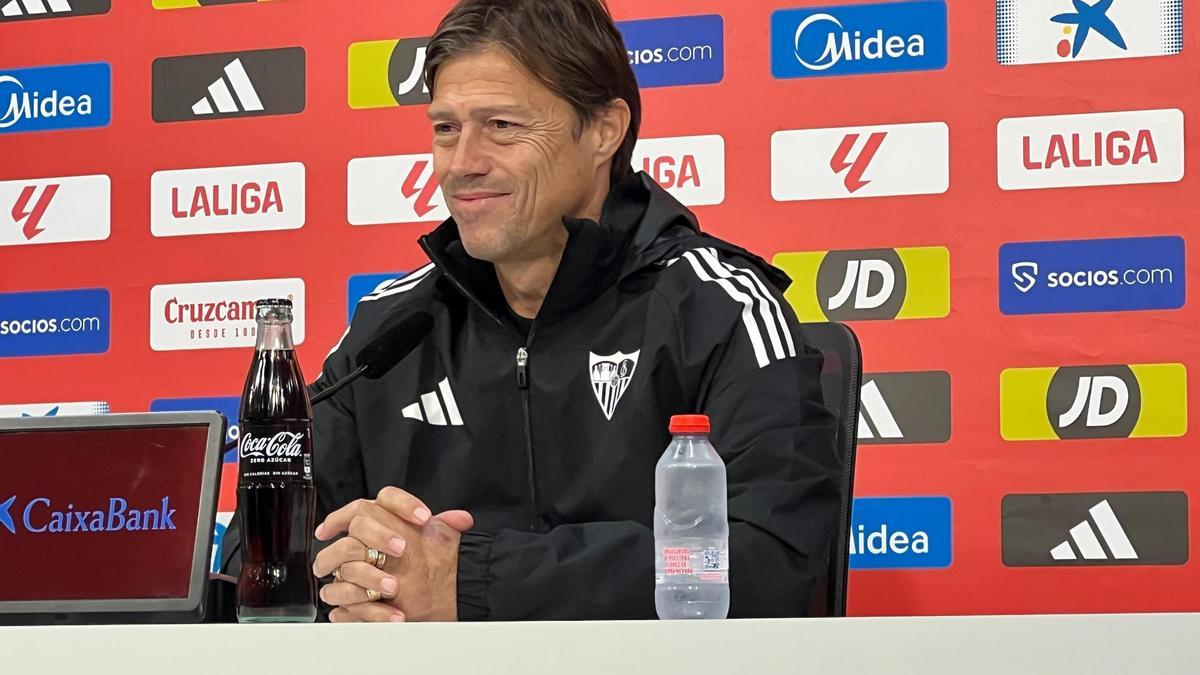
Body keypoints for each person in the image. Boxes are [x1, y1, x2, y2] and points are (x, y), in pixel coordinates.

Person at [225, 0, 840, 622]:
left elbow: (772, 563)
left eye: (502, 125)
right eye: (446, 129)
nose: (462, 163)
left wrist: (470, 582)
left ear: (603, 131)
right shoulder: (389, 330)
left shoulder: (721, 308)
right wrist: (370, 572)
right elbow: (250, 560)